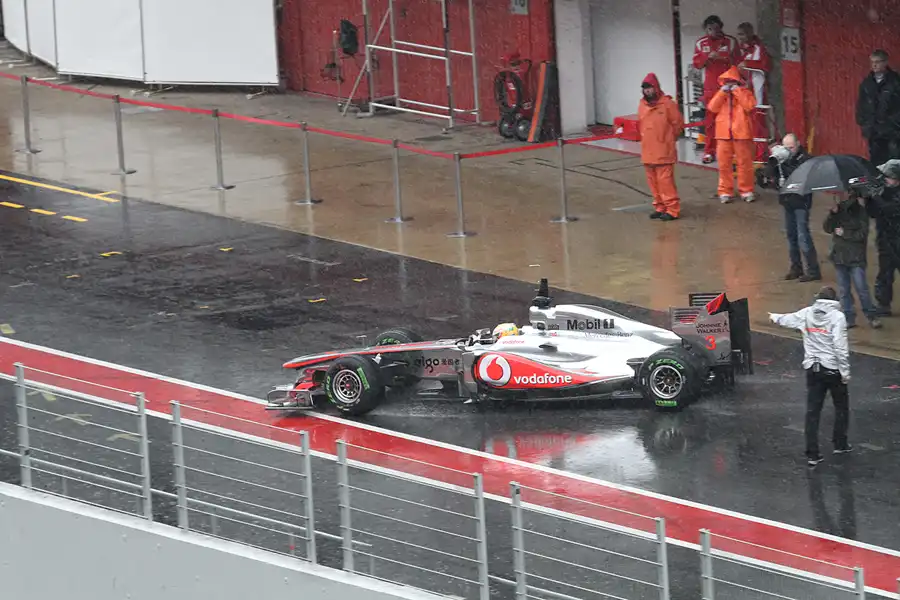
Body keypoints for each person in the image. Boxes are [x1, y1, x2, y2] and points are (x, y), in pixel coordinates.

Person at [768, 286, 853, 467]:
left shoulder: (807, 313)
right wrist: (845, 373)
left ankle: (812, 454)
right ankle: (840, 443)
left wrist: (774, 316)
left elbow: (787, 320)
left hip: (813, 370)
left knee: (812, 412)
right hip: (833, 370)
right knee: (841, 408)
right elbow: (840, 348)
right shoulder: (837, 317)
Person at [823, 191, 882, 329]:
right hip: (840, 256)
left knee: (861, 288)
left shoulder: (861, 212)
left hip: (855, 257)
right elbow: (827, 228)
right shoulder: (838, 210)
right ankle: (849, 317)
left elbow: (862, 235)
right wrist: (832, 214)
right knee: (844, 289)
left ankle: (870, 315)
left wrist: (845, 233)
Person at [769, 134, 821, 281]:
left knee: (803, 236)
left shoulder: (806, 160)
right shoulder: (781, 159)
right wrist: (773, 164)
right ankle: (796, 267)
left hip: (801, 203)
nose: (789, 151)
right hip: (787, 202)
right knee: (791, 236)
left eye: (791, 147)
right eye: (786, 148)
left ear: (798, 144)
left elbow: (801, 178)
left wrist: (787, 162)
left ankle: (813, 270)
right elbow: (770, 180)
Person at [692, 15, 740, 165]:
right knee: (710, 122)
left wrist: (722, 58)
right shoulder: (701, 43)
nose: (713, 31)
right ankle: (709, 151)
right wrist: (707, 57)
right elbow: (697, 64)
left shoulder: (731, 41)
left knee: (731, 120)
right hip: (710, 88)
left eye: (716, 28)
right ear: (706, 29)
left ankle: (731, 152)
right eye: (710, 28)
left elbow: (738, 62)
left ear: (721, 27)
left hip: (728, 86)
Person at [638, 73, 685, 221]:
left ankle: (672, 210)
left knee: (666, 182)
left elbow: (678, 125)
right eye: (645, 88)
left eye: (649, 88)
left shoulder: (668, 104)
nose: (647, 91)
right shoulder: (642, 105)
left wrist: (668, 139)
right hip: (648, 151)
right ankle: (660, 207)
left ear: (656, 88)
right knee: (653, 182)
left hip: (663, 150)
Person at [707, 66, 758, 203]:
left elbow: (750, 106)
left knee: (745, 164)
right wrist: (722, 93)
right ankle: (725, 191)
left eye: (732, 82)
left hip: (741, 133)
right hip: (723, 134)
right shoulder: (721, 95)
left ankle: (746, 190)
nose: (729, 84)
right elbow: (712, 107)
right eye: (727, 82)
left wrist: (738, 91)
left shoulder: (745, 92)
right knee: (724, 165)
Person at [855, 49, 900, 167]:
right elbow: (861, 104)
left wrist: (893, 123)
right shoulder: (867, 83)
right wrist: (864, 123)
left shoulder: (895, 82)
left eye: (878, 62)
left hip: (892, 131)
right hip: (873, 130)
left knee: (893, 164)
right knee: (875, 163)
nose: (874, 65)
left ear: (885, 62)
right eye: (872, 62)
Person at [867, 159, 900, 316]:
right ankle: (883, 304)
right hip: (885, 240)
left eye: (887, 176)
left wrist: (876, 198)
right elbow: (873, 213)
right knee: (885, 273)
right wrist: (869, 198)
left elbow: (891, 210)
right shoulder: (883, 190)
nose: (884, 179)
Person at [736, 22, 772, 164]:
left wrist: (748, 65)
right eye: (739, 34)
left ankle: (760, 155)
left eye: (742, 34)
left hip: (758, 90)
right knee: (744, 123)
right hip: (745, 90)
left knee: (759, 122)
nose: (740, 37)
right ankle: (747, 153)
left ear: (750, 33)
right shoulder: (741, 49)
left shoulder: (759, 47)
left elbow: (766, 66)